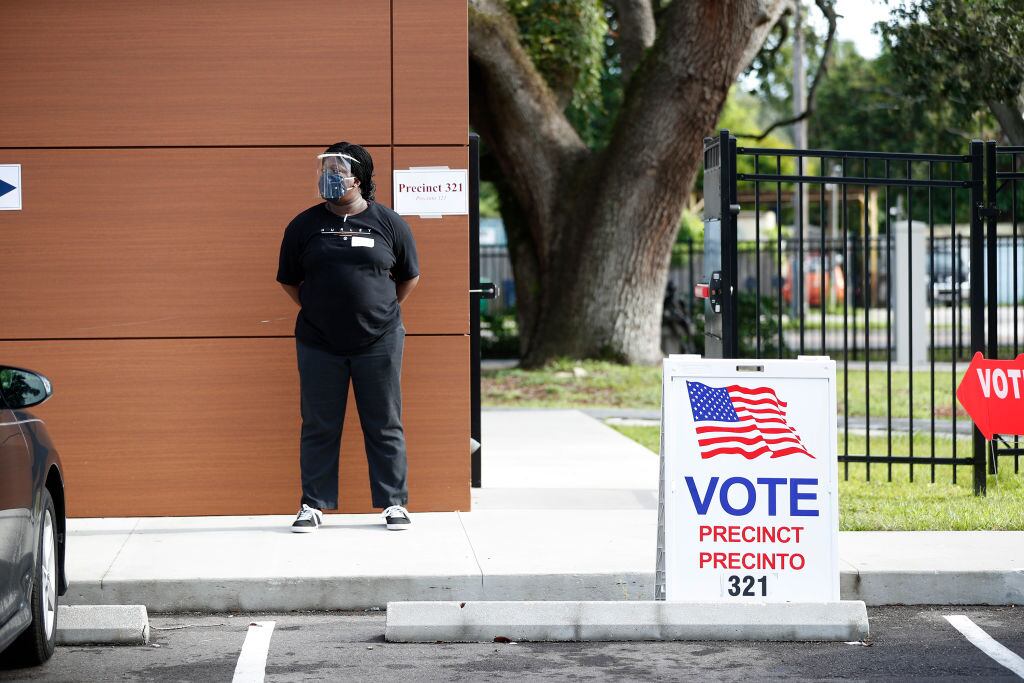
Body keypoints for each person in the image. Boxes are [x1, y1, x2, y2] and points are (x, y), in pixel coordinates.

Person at [277, 142, 420, 533]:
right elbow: (290, 281)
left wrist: (380, 311)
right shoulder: (303, 225)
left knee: (384, 421)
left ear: (359, 178)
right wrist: (320, 308)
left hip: (380, 340)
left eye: (337, 170)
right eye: (325, 169)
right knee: (320, 423)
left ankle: (394, 503)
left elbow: (409, 276)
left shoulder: (389, 223)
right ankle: (313, 505)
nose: (328, 176)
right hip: (318, 341)